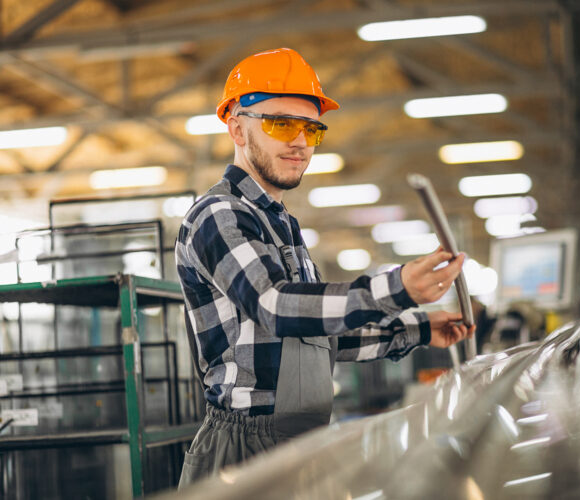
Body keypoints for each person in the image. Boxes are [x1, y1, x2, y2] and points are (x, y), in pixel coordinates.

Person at [175, 47, 474, 487]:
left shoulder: (284, 228)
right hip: (242, 452)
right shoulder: (218, 215)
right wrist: (396, 289)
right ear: (237, 128)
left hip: (301, 442)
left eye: (310, 128)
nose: (299, 141)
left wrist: (420, 328)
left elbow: (316, 338)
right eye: (281, 124)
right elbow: (274, 306)